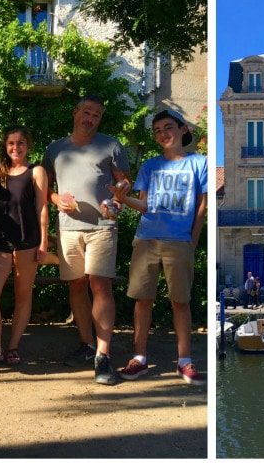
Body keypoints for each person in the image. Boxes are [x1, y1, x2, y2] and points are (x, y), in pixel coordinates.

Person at [113, 109, 207, 385]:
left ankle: (185, 361)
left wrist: (194, 237)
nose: (163, 134)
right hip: (147, 240)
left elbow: (202, 204)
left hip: (180, 242)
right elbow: (143, 205)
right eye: (157, 131)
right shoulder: (150, 166)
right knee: (143, 301)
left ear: (183, 129)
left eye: (168, 127)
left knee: (180, 301)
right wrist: (122, 197)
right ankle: (139, 359)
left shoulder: (199, 163)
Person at [43, 94, 130, 385]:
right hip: (68, 228)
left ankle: (103, 356)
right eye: (87, 112)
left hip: (102, 225)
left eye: (97, 114)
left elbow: (123, 185)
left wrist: (116, 198)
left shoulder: (111, 145)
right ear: (75, 113)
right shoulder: (55, 148)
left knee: (100, 284)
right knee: (77, 285)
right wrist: (56, 198)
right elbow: (43, 189)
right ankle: (86, 344)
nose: (91, 118)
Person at [0, 126, 48, 366]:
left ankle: (13, 347)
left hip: (27, 240)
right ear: (5, 147)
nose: (16, 148)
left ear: (28, 145)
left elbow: (42, 208)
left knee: (22, 295)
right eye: (11, 143)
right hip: (1, 240)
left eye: (21, 143)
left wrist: (43, 241)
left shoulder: (37, 171)